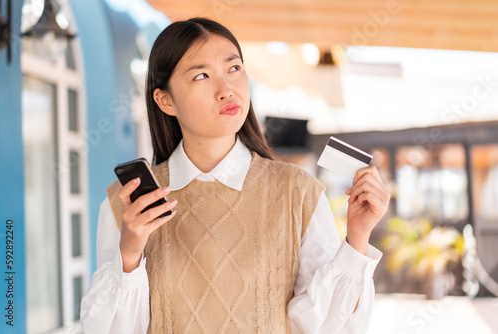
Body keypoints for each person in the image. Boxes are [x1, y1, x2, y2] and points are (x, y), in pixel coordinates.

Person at [80, 17, 390, 334]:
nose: (227, 90)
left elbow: (324, 327)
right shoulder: (128, 204)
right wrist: (130, 253)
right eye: (201, 75)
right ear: (166, 100)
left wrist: (357, 238)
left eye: (234, 68)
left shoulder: (298, 193)